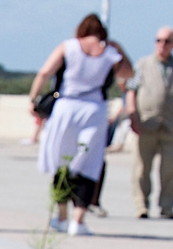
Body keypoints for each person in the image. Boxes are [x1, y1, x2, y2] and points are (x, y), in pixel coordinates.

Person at [30, 12, 133, 236]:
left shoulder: (69, 47)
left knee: (62, 161)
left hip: (66, 106)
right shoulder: (110, 53)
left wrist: (33, 98)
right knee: (89, 162)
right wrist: (119, 50)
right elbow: (128, 73)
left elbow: (45, 72)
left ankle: (62, 215)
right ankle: (79, 219)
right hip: (94, 109)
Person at [127, 26, 173, 218]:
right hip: (146, 123)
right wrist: (132, 113)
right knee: (141, 168)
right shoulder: (143, 64)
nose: (162, 45)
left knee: (170, 167)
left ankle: (167, 206)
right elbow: (132, 89)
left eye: (167, 41)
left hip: (171, 124)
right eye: (159, 40)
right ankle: (141, 205)